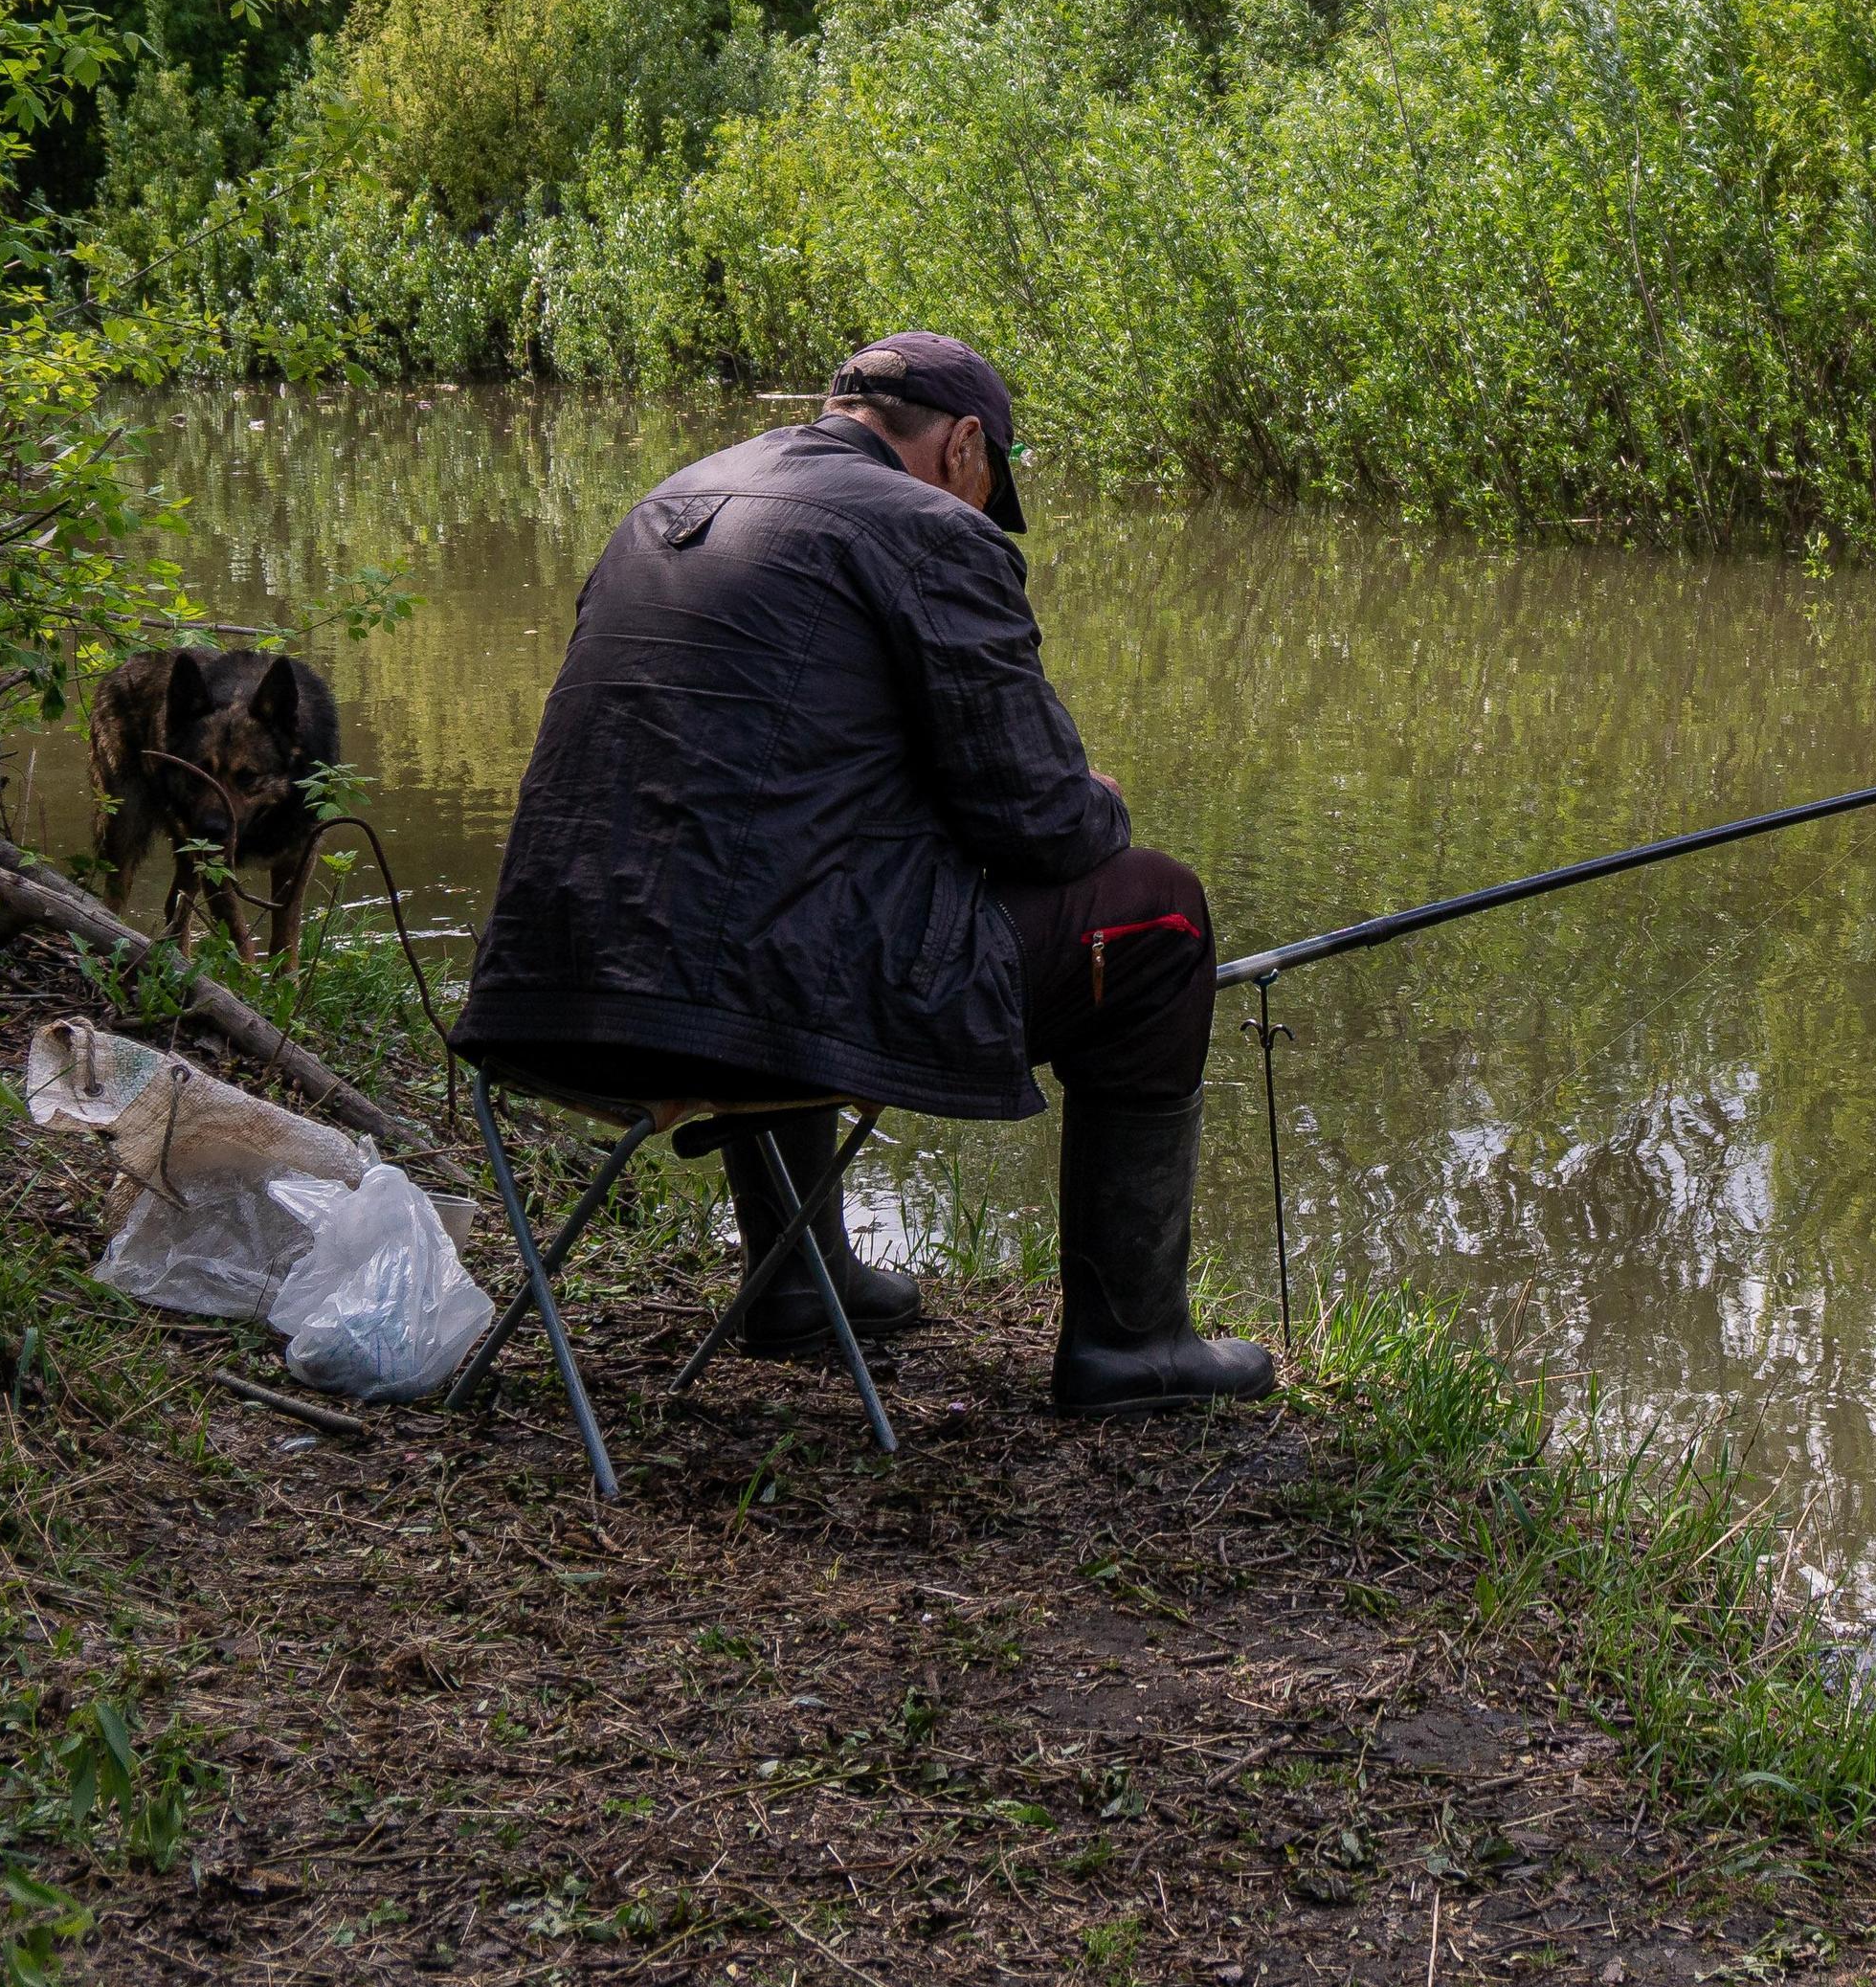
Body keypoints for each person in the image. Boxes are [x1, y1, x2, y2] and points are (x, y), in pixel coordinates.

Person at [450, 332, 1275, 1417]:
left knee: (784, 887)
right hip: (729, 1016)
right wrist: (1101, 793)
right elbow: (1041, 823)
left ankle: (797, 1278)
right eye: (991, 488)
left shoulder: (669, 504)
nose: (986, 514)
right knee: (1157, 915)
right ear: (965, 445)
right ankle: (1132, 1346)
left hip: (547, 1000)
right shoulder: (929, 530)